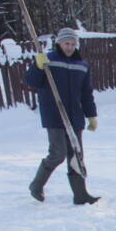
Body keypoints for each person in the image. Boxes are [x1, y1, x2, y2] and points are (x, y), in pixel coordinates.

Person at [24, 28, 100, 205]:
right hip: (54, 115)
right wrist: (37, 66)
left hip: (75, 117)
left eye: (73, 44)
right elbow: (32, 82)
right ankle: (36, 185)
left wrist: (91, 115)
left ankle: (80, 195)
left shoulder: (82, 65)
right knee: (58, 153)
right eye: (67, 43)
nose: (70, 47)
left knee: (76, 156)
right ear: (59, 43)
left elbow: (86, 93)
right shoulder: (48, 60)